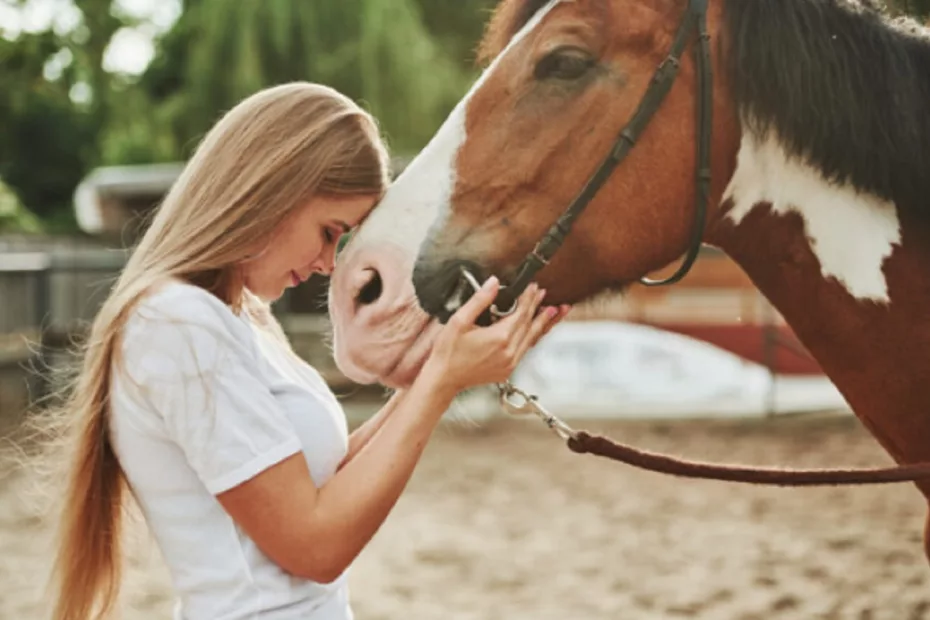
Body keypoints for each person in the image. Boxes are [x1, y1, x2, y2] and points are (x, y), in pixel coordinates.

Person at [44, 81, 569, 620]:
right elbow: (314, 548)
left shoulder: (240, 317)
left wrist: (438, 369)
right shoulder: (178, 324)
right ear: (271, 190)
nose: (326, 263)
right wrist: (437, 384)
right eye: (329, 231)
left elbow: (321, 479)